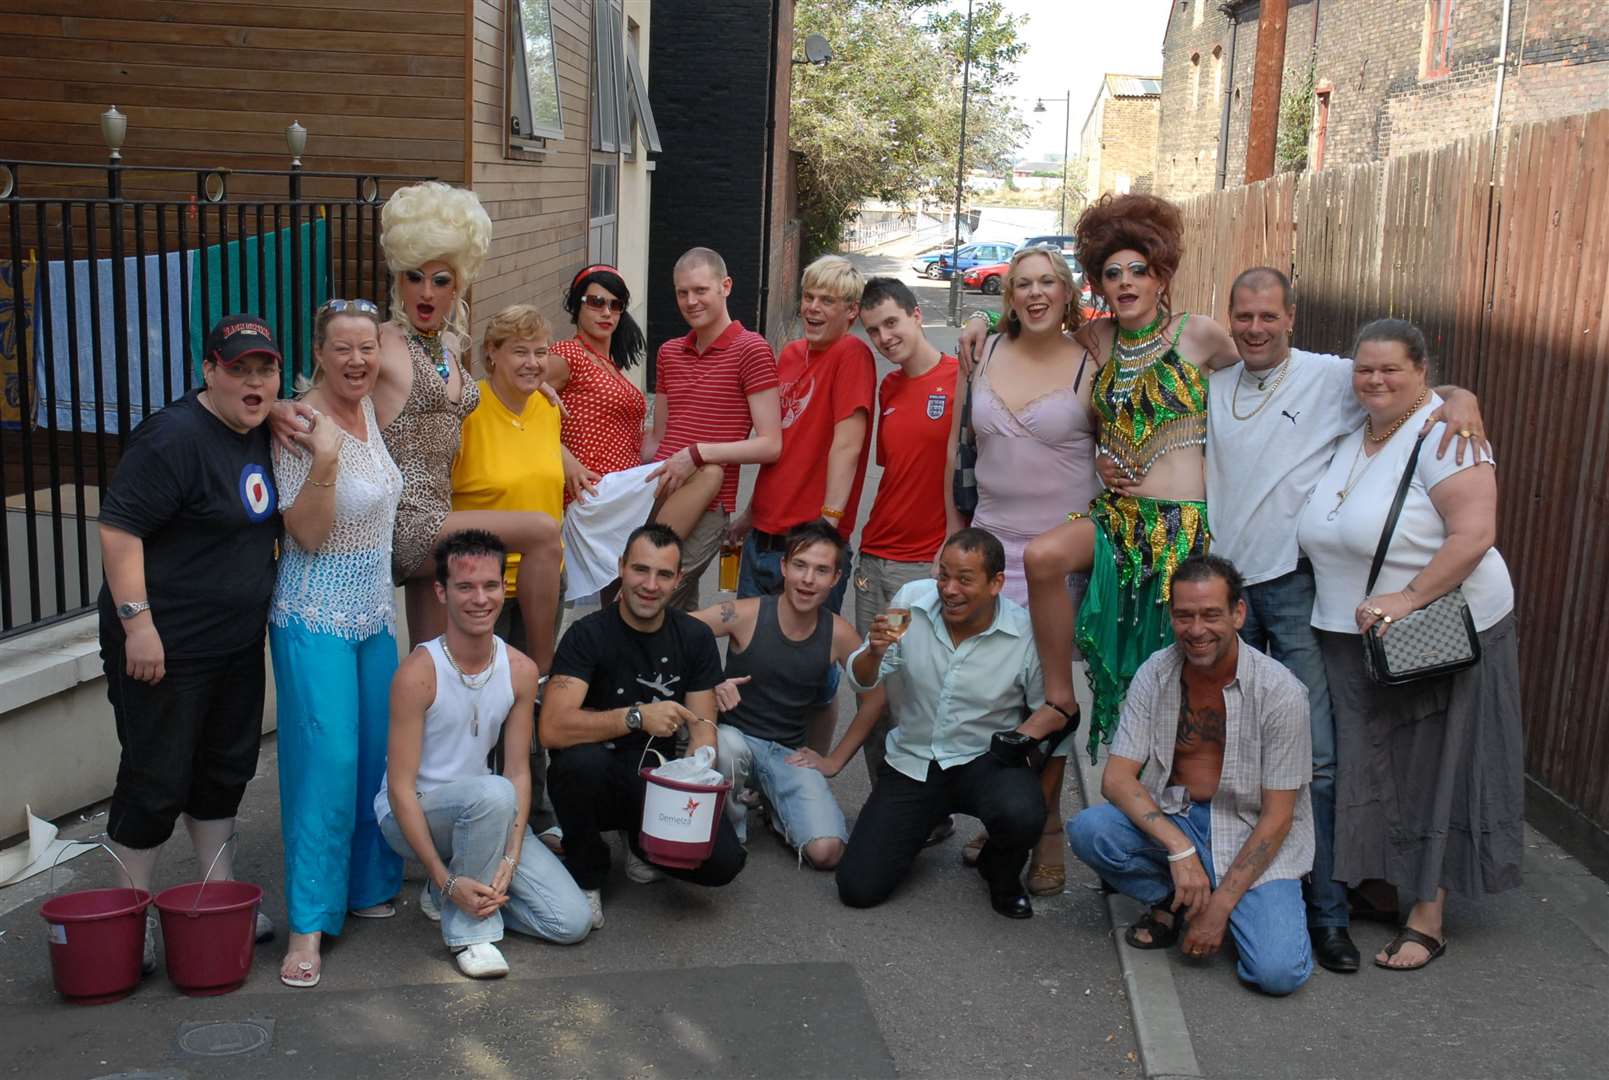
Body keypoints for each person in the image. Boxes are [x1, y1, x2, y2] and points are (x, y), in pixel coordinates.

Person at [1204, 268, 1487, 973]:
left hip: (1297, 596)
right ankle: (1228, 888)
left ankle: (1324, 911)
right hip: (1230, 598)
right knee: (1227, 749)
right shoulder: (1212, 384)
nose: (1254, 327)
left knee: (1319, 762)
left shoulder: (1331, 375)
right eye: (1243, 316)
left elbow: (1408, 385)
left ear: (1290, 317)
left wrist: (1462, 397)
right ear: (1230, 318)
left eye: (1268, 315)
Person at [960, 193, 1242, 759]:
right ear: (1098, 284)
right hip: (1115, 516)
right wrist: (982, 316)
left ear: (1162, 276)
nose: (1126, 282)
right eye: (1113, 273)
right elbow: (1037, 327)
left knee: (1169, 672)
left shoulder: (1200, 334)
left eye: (1139, 270)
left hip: (1181, 525)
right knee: (1045, 557)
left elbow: (1259, 389)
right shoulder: (1098, 340)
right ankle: (1060, 700)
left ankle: (1176, 796)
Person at [1297, 318, 1522, 972]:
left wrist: (1408, 597)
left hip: (1437, 629)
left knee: (1433, 768)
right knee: (1371, 765)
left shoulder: (1449, 437)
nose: (1375, 380)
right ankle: (1379, 879)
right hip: (1354, 634)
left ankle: (1428, 914)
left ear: (1420, 370)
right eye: (1364, 368)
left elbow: (1473, 535)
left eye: (1390, 369)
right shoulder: (1357, 429)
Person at [98, 314, 282, 976]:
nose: (253, 382)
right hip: (164, 648)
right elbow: (120, 530)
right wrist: (137, 624)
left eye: (265, 369)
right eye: (239, 370)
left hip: (233, 645)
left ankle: (215, 895)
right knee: (155, 779)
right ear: (209, 371)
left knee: (223, 771)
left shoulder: (264, 428)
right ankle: (127, 918)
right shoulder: (172, 438)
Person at [1067, 555, 1316, 996]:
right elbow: (1117, 779)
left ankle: (1210, 904)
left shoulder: (1280, 692)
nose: (1196, 630)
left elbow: (1279, 818)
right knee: (1091, 829)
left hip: (1250, 832)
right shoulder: (1156, 673)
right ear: (1171, 616)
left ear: (1238, 614)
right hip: (1178, 820)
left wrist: (1219, 909)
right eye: (1184, 616)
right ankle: (1172, 897)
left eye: (1210, 615)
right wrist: (1180, 850)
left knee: (1277, 974)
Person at [945, 245, 1098, 897]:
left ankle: (1050, 827)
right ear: (1007, 296)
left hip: (1056, 554)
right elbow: (957, 450)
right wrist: (954, 541)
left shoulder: (1095, 360)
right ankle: (1011, 814)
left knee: (1049, 698)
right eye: (1022, 285)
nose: (1035, 294)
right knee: (996, 691)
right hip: (990, 547)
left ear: (1066, 293)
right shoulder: (981, 352)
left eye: (1047, 283)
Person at [364, 181, 561, 663]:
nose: (427, 291)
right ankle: (543, 675)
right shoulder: (381, 342)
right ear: (398, 279)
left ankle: (430, 735)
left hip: (439, 517)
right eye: (415, 277)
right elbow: (322, 391)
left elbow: (487, 388)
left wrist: (543, 387)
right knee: (542, 531)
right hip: (409, 521)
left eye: (441, 280)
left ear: (459, 283)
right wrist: (286, 411)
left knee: (436, 662)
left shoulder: (449, 349)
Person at [379, 531, 591, 979]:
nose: (480, 598)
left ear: (503, 588)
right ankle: (470, 933)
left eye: (491, 586)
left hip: (488, 813)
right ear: (442, 592)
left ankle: (466, 893)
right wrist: (442, 877)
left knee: (571, 922)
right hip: (415, 816)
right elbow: (399, 789)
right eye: (465, 587)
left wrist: (510, 858)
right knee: (492, 795)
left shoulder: (520, 670)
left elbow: (518, 771)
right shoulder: (418, 673)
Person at [269, 300, 405, 988]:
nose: (357, 361)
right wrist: (324, 456)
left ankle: (364, 884)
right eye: (342, 349)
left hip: (373, 616)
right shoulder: (299, 425)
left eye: (367, 348)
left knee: (377, 754)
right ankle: (307, 924)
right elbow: (307, 535)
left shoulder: (372, 408)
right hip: (314, 613)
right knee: (327, 763)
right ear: (318, 354)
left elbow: (421, 341)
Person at [836, 528, 1060, 919]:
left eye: (964, 579)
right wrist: (872, 652)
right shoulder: (909, 601)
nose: (949, 589)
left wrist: (1027, 763)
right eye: (943, 576)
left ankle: (1000, 870)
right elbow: (862, 678)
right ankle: (912, 831)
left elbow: (1049, 711)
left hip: (984, 760)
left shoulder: (1025, 632)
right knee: (858, 888)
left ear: (996, 584)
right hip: (915, 760)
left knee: (1022, 812)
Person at [540, 524, 745, 928]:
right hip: (593, 773)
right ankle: (587, 871)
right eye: (640, 570)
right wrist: (634, 716)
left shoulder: (694, 637)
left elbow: (703, 728)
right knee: (580, 764)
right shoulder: (587, 635)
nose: (650, 585)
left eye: (664, 574)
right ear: (621, 568)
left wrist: (693, 776)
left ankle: (641, 839)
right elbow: (552, 728)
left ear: (678, 579)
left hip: (656, 779)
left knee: (722, 864)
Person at [448, 303, 568, 850]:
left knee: (532, 697)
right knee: (478, 708)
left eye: (540, 351)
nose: (532, 363)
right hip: (483, 587)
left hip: (544, 581)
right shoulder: (465, 412)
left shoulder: (547, 409)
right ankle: (470, 818)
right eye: (519, 350)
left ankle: (534, 811)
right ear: (490, 353)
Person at [688, 521, 863, 869]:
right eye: (800, 566)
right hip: (733, 739)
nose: (808, 579)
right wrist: (712, 680)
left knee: (827, 852)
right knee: (728, 746)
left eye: (821, 570)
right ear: (784, 567)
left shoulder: (839, 634)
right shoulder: (745, 613)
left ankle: (775, 806)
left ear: (836, 578)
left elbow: (876, 698)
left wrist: (834, 760)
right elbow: (676, 632)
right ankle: (728, 831)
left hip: (787, 752)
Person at [543, 264, 722, 600]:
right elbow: (518, 399)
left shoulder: (609, 363)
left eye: (616, 305)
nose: (606, 312)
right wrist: (564, 458)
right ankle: (650, 562)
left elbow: (640, 439)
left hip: (621, 491)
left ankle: (631, 591)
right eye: (595, 302)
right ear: (576, 305)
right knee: (708, 470)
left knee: (697, 467)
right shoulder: (567, 355)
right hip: (595, 492)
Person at [849, 277, 958, 781]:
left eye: (892, 322)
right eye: (874, 330)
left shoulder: (963, 378)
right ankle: (884, 801)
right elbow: (893, 469)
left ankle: (924, 806)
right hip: (875, 562)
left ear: (917, 315)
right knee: (873, 685)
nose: (885, 337)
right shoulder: (888, 386)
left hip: (925, 566)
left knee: (921, 691)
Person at [731, 254, 875, 613]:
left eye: (827, 301)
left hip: (808, 545)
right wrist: (751, 514)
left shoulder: (851, 353)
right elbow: (782, 445)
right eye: (809, 297)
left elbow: (848, 446)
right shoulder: (792, 354)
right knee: (747, 654)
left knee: (805, 661)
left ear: (852, 311)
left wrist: (826, 528)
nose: (813, 307)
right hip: (761, 538)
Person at [642, 248, 782, 609]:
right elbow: (659, 439)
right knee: (672, 607)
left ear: (726, 286)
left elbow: (770, 445)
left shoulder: (752, 350)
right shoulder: (670, 352)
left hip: (709, 499)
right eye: (682, 292)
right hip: (660, 491)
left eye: (701, 290)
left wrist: (698, 453)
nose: (691, 301)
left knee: (655, 597)